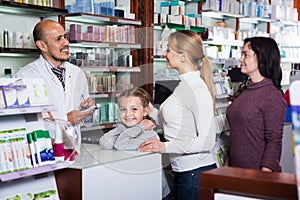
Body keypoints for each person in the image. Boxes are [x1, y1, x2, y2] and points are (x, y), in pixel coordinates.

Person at [139, 30, 217, 200]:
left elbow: (207, 141)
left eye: (168, 50)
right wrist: (148, 109)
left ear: (182, 56)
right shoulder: (183, 86)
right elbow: (172, 121)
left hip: (195, 173)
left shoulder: (197, 89)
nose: (164, 53)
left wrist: (164, 147)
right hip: (185, 172)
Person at [14, 19, 95, 143]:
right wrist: (65, 119)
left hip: (74, 148)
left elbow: (88, 122)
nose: (66, 43)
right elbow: (23, 122)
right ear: (42, 45)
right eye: (59, 39)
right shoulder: (26, 76)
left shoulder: (77, 73)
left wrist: (87, 112)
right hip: (45, 149)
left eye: (65, 37)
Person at [226, 36, 286, 172]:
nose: (240, 59)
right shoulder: (246, 89)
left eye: (245, 55)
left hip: (256, 174)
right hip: (237, 172)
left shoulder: (271, 95)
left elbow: (274, 140)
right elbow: (237, 136)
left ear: (261, 58)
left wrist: (264, 176)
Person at [99, 87, 170, 199]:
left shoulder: (150, 135)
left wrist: (140, 127)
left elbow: (121, 145)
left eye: (134, 109)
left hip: (154, 190)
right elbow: (104, 142)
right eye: (123, 109)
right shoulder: (125, 129)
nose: (128, 114)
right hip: (135, 186)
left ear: (145, 111)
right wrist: (122, 127)